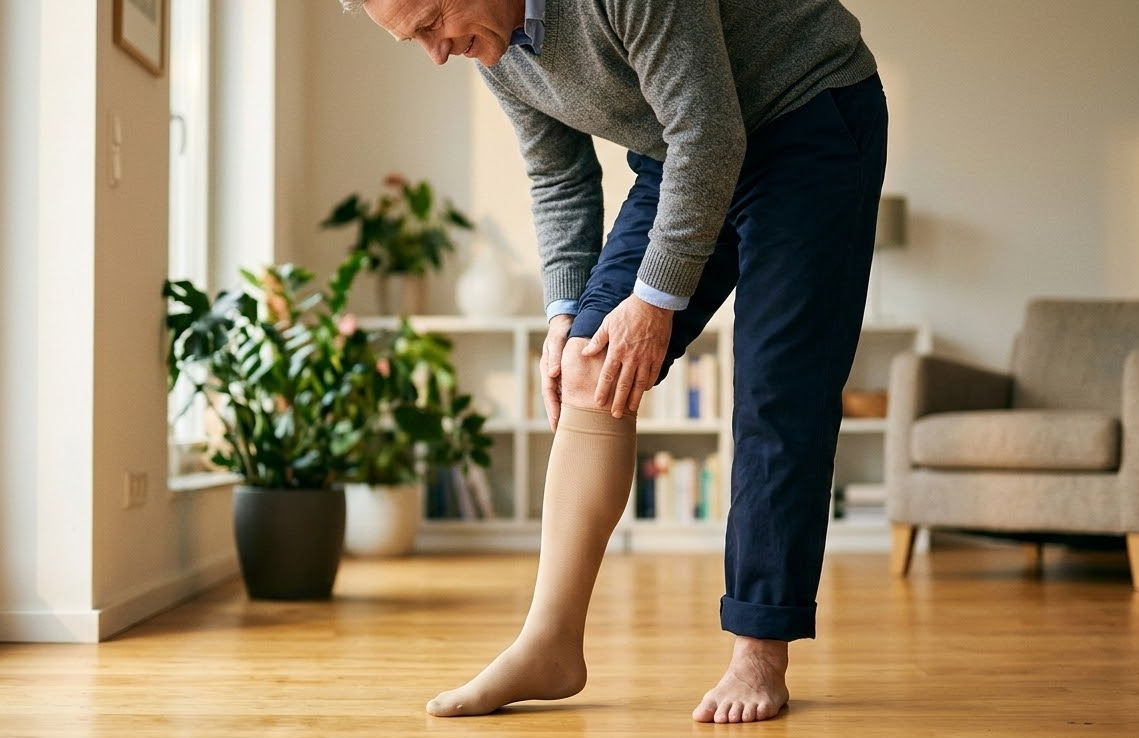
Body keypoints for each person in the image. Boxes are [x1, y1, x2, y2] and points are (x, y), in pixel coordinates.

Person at [344, 0, 887, 724]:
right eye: (413, 39)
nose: (435, 53)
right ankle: (549, 644)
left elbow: (709, 129)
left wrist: (655, 302)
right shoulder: (494, 48)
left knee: (776, 395)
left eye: (430, 21)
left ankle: (758, 652)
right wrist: (564, 311)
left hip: (806, 116)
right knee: (589, 366)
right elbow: (559, 177)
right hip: (682, 151)